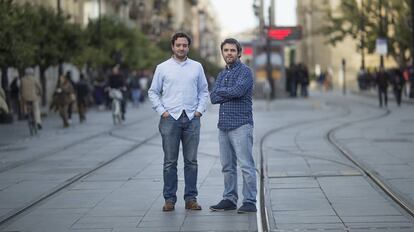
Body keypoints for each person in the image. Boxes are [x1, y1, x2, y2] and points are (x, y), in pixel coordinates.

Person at [148, 32, 209, 212]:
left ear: (188, 47)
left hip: (191, 118)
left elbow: (204, 91)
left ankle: (191, 199)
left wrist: (199, 111)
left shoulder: (197, 67)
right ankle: (169, 200)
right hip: (170, 119)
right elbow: (153, 91)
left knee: (191, 161)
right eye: (178, 45)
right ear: (173, 47)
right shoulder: (162, 68)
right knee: (169, 162)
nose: (181, 48)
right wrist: (162, 111)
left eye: (184, 45)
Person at [209, 38, 257, 213]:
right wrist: (225, 93)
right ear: (222, 53)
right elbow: (213, 98)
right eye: (226, 50)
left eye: (232, 50)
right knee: (227, 166)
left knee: (246, 165)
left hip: (241, 125)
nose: (229, 53)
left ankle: (250, 201)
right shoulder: (222, 74)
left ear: (239, 53)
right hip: (223, 126)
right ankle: (229, 198)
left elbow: (238, 91)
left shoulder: (245, 72)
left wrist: (222, 92)